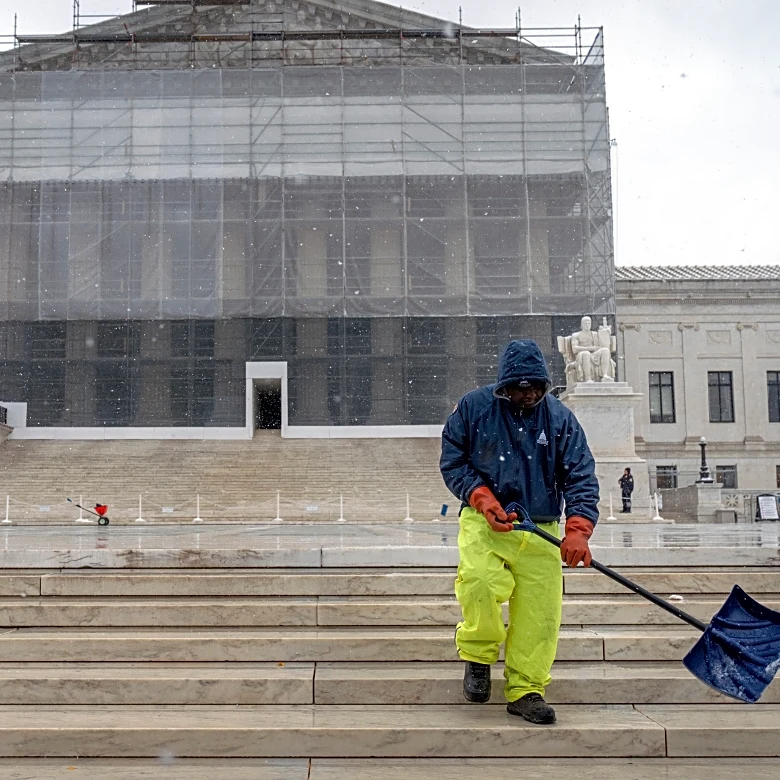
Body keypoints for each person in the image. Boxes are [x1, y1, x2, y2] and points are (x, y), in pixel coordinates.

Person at [440, 339, 599, 724]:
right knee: (478, 582)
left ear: (545, 385)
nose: (527, 394)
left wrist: (578, 529)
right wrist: (480, 496)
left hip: (540, 527)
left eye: (534, 387)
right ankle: (478, 657)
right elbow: (453, 459)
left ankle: (526, 688)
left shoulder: (560, 419)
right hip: (485, 520)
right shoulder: (475, 408)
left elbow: (580, 475)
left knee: (540, 614)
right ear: (504, 385)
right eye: (519, 387)